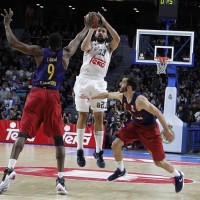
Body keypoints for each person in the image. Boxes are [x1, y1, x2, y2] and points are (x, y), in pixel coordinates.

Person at [0, 8, 93, 195]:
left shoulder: (38, 52)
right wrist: (87, 27)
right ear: (60, 45)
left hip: (36, 94)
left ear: (47, 43)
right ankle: (60, 180)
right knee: (59, 141)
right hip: (52, 96)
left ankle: (9, 170)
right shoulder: (66, 54)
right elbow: (77, 39)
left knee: (22, 135)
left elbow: (12, 42)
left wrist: (7, 24)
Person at [80, 75, 184, 193]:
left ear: (129, 87)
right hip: (135, 126)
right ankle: (121, 170)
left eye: (122, 83)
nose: (120, 84)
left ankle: (178, 175)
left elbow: (158, 112)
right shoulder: (122, 96)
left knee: (159, 162)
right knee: (115, 144)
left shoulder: (140, 101)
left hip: (150, 130)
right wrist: (91, 96)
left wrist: (166, 130)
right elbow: (107, 94)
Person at [74, 12, 120, 168]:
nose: (100, 32)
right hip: (84, 81)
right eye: (99, 30)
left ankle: (99, 151)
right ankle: (80, 150)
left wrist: (105, 22)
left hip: (99, 83)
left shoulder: (109, 48)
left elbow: (118, 39)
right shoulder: (91, 44)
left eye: (103, 31)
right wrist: (91, 29)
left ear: (106, 35)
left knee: (99, 117)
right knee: (83, 115)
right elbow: (82, 46)